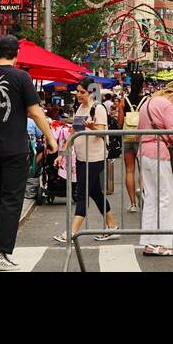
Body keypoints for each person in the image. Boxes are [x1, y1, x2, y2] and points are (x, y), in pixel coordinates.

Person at [0, 35, 58, 270]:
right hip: (14, 146)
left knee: (3, 198)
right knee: (11, 200)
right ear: (16, 54)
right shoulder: (21, 77)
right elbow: (36, 112)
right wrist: (50, 139)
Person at [55, 77, 121, 245]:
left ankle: (71, 232)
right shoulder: (79, 109)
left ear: (91, 93)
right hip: (82, 157)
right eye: (78, 91)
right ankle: (112, 226)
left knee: (82, 193)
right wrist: (62, 153)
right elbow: (73, 133)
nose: (79, 95)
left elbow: (102, 133)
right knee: (95, 193)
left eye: (82, 92)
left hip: (95, 158)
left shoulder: (97, 109)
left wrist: (92, 128)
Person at [136, 82, 173, 256]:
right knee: (166, 197)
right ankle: (161, 242)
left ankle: (149, 242)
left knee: (151, 198)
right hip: (158, 151)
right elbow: (172, 132)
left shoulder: (148, 102)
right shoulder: (166, 104)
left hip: (144, 151)